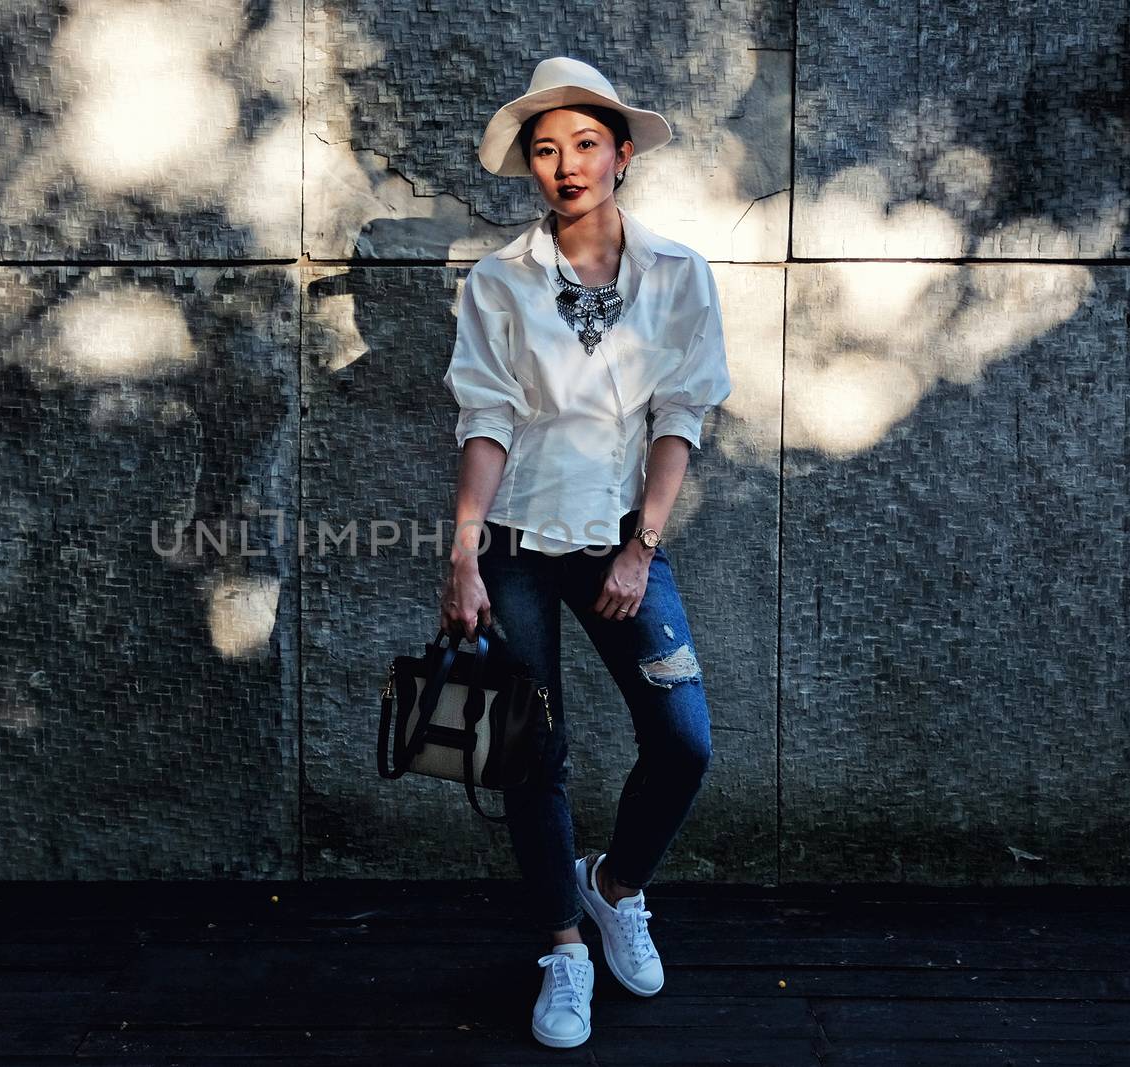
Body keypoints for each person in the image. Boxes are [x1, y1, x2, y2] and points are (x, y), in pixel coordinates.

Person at [439, 57, 734, 1050]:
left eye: (584, 144)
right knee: (531, 752)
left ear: (620, 156)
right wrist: (465, 556)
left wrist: (640, 547)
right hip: (517, 539)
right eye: (545, 149)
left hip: (620, 539)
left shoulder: (678, 276)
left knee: (683, 737)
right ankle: (564, 945)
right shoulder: (497, 281)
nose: (565, 165)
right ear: (531, 167)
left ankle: (612, 887)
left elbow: (679, 412)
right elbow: (485, 419)